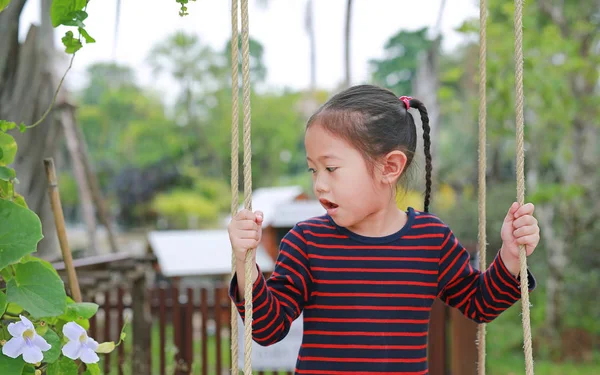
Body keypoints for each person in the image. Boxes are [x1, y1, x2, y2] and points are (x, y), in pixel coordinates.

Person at [227, 84, 539, 374]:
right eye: (314, 170)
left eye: (331, 169)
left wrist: (511, 255)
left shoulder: (431, 241)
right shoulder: (306, 242)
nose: (319, 185)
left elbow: (480, 304)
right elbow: (267, 330)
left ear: (389, 167)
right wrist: (244, 264)